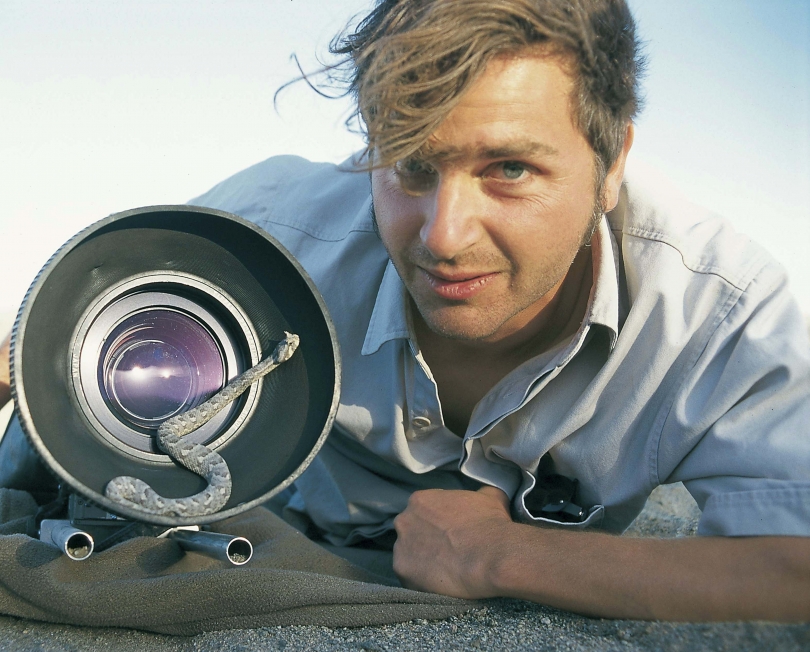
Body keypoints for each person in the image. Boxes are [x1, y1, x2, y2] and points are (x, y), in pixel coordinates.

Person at [3, 0, 809, 621]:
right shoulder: (265, 240)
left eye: (509, 169)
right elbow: (60, 338)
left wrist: (503, 558)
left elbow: (795, 567)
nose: (444, 237)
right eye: (412, 166)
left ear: (612, 161)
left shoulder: (719, 315)